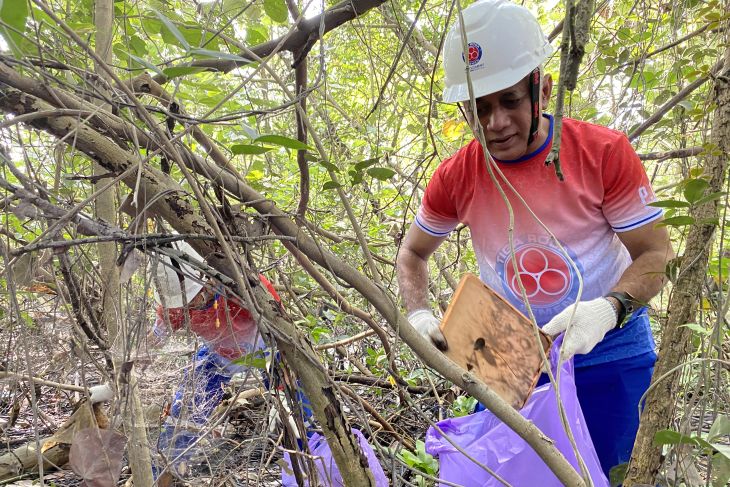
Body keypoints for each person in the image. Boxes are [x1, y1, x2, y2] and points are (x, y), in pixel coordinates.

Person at [396, 0, 673, 479]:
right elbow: (412, 253)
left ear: (541, 89)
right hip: (507, 362)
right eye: (479, 109)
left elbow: (656, 253)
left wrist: (611, 308)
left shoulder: (602, 154)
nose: (496, 123)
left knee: (614, 473)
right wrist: (419, 313)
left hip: (611, 351)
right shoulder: (457, 176)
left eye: (509, 101)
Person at [148, 240, 312, 479]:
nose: (190, 305)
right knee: (183, 413)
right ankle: (162, 474)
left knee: (300, 407)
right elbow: (153, 340)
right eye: (183, 303)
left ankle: (309, 459)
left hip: (264, 353)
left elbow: (283, 330)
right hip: (219, 356)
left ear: (208, 278)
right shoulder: (175, 308)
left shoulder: (245, 288)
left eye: (194, 298)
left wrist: (284, 373)